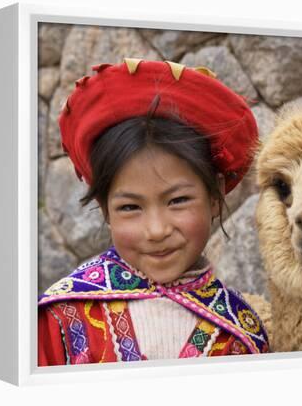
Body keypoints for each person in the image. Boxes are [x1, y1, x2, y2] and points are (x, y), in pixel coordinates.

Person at [38, 58, 269, 366]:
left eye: (177, 201)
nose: (157, 230)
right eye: (130, 207)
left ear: (214, 195)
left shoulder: (241, 336)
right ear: (106, 210)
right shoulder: (61, 318)